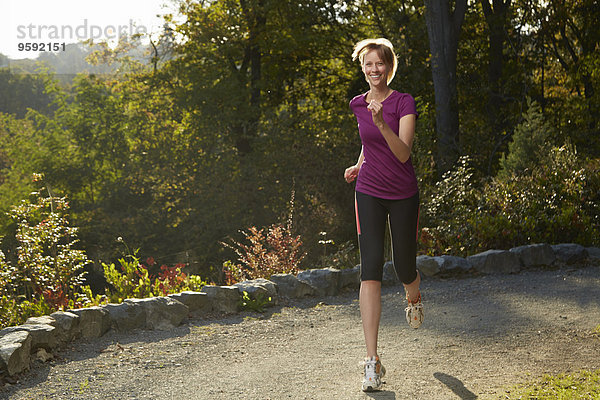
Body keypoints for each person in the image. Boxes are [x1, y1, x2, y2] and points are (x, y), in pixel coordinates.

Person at [344, 38, 423, 392]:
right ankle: (372, 362)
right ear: (363, 69)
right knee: (370, 270)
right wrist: (359, 166)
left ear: (388, 67)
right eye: (368, 64)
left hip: (403, 194)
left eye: (379, 64)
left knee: (404, 266)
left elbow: (403, 153)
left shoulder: (404, 102)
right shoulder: (358, 104)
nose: (373, 70)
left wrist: (382, 123)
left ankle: (414, 298)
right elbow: (367, 142)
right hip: (369, 193)